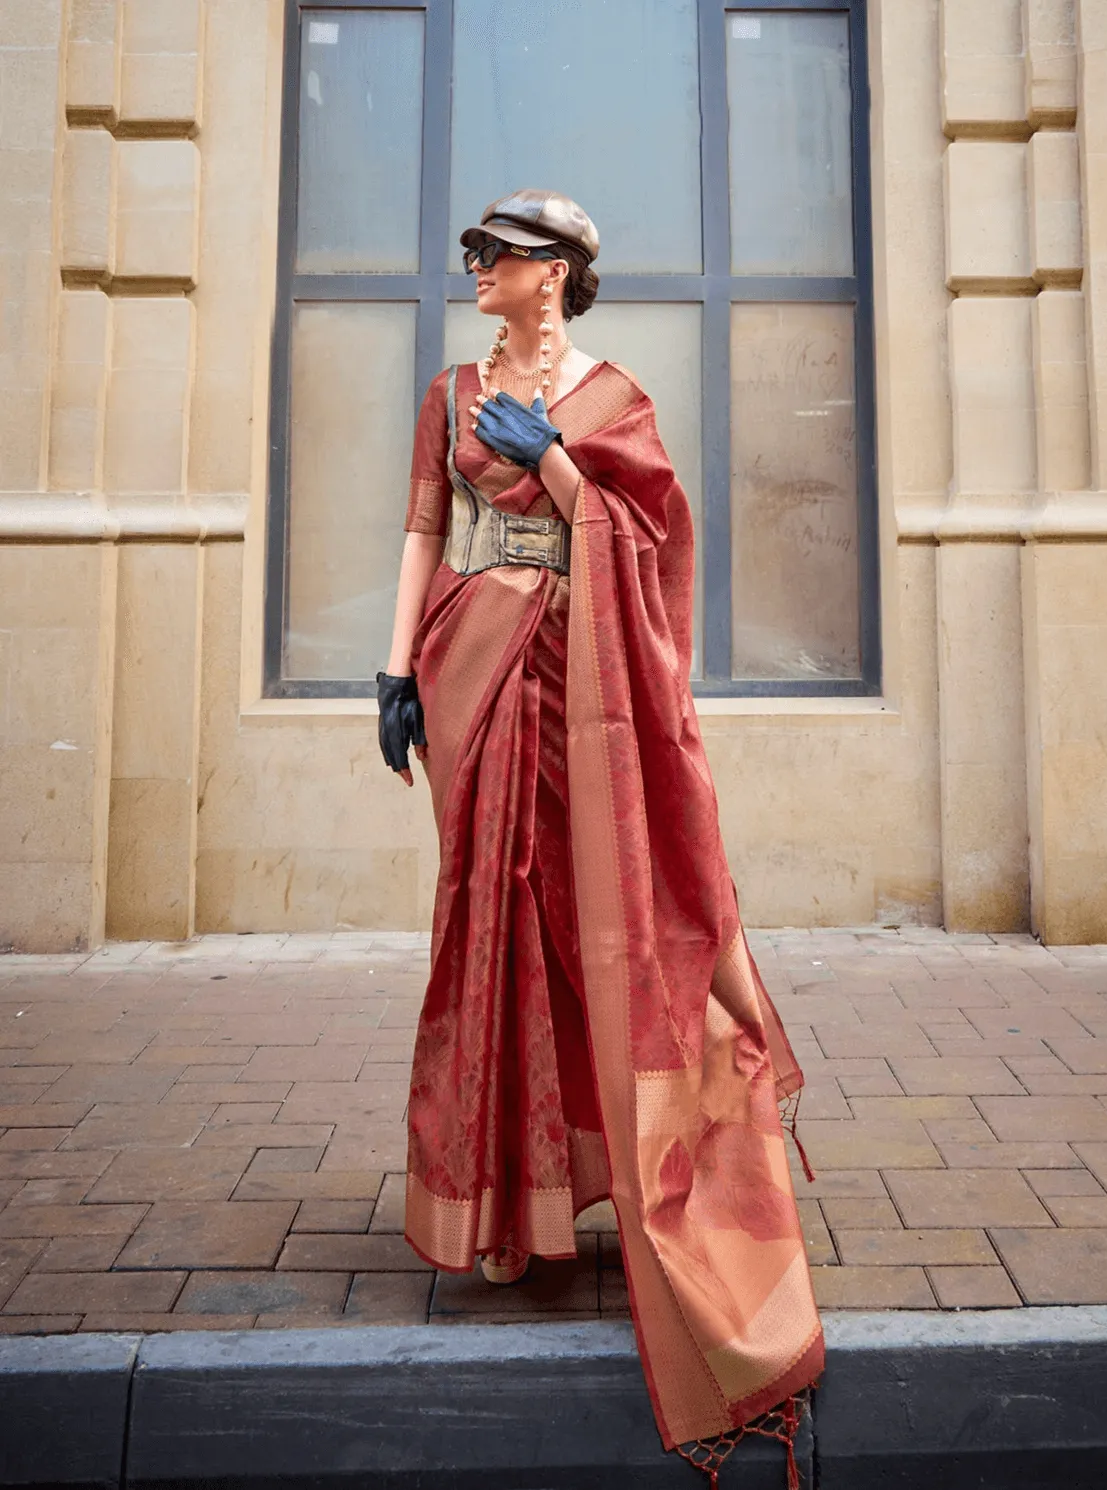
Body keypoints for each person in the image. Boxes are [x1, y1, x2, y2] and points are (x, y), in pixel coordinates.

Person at [378, 189, 822, 1483]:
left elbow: (653, 538)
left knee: (604, 921)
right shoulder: (450, 387)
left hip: (588, 686)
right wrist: (395, 669)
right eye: (474, 252)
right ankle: (507, 1206)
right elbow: (421, 528)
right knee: (491, 921)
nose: (476, 268)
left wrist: (562, 464)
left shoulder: (616, 395)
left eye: (497, 255)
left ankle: (655, 1156)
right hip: (474, 672)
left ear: (557, 272)